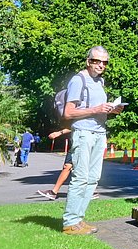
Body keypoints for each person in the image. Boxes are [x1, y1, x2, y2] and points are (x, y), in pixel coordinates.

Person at [60, 46, 122, 235]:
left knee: (93, 178)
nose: (101, 65)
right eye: (97, 61)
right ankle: (70, 222)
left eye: (105, 62)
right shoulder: (78, 80)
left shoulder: (99, 82)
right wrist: (96, 109)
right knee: (80, 177)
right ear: (88, 61)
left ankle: (79, 219)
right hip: (83, 133)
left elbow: (97, 108)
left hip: (98, 133)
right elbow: (68, 112)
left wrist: (112, 110)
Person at [36, 129, 100, 201]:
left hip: (82, 144)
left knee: (82, 167)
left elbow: (77, 125)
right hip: (76, 143)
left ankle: (91, 191)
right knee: (67, 166)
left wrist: (59, 133)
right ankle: (53, 192)